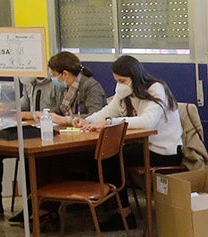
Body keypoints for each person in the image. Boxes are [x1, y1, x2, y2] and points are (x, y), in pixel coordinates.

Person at [0, 51, 107, 223]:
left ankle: (36, 208)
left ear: (64, 74)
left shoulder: (90, 87)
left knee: (34, 158)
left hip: (84, 144)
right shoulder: (63, 88)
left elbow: (96, 115)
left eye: (54, 74)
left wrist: (63, 119)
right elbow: (56, 112)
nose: (53, 78)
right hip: (63, 135)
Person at [75, 55, 184, 228]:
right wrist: (88, 121)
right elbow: (109, 110)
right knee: (102, 156)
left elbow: (146, 122)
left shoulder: (156, 89)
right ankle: (111, 208)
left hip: (164, 151)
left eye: (122, 80)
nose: (119, 84)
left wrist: (111, 122)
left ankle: (124, 214)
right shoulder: (125, 91)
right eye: (116, 80)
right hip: (143, 147)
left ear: (135, 77)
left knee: (110, 157)